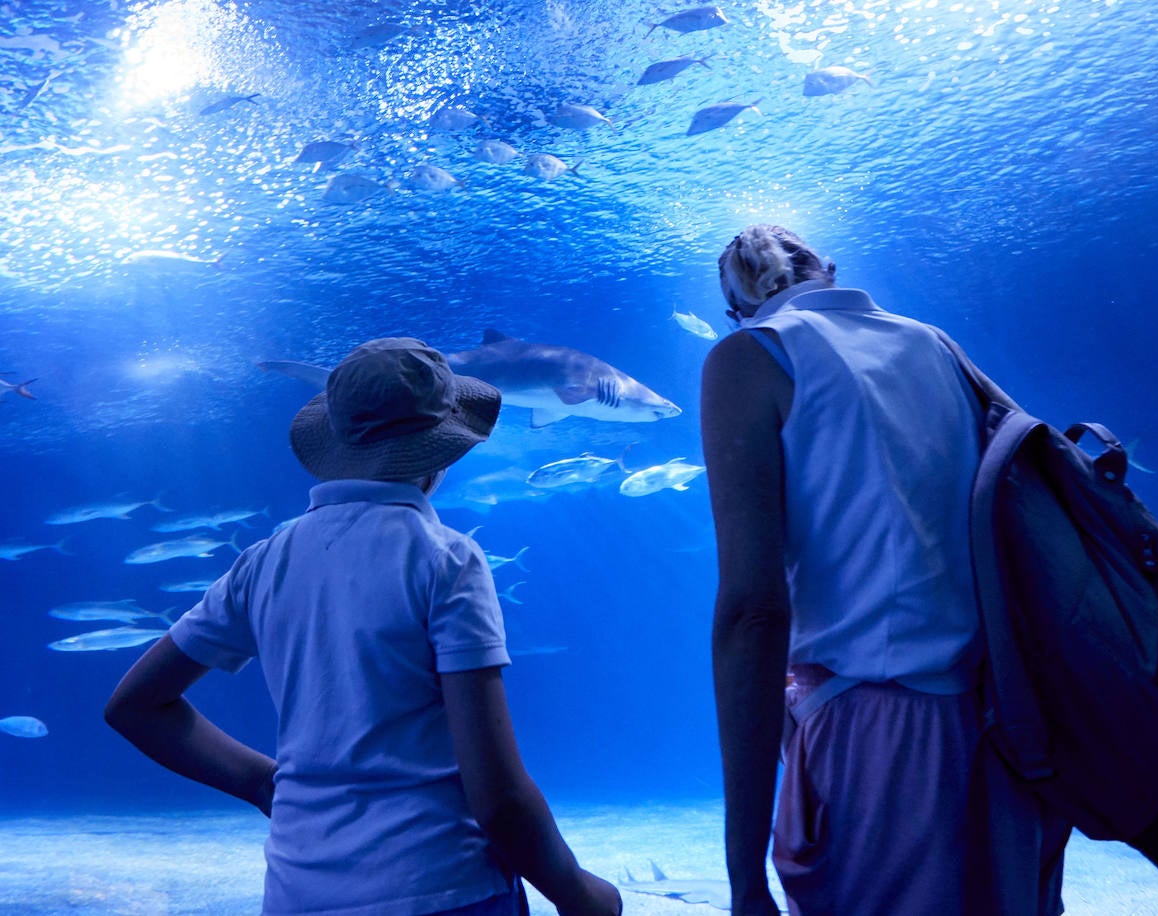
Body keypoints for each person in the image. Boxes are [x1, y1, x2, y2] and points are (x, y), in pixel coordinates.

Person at [105, 337, 621, 916]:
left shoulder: (262, 561)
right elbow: (497, 796)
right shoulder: (444, 559)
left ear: (335, 442)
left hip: (298, 893)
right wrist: (575, 891)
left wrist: (260, 783)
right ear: (442, 451)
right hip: (444, 888)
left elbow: (134, 706)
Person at [700, 226, 1071, 916]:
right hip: (1011, 723)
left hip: (878, 736)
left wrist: (744, 877)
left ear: (736, 307)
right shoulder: (938, 347)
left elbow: (753, 610)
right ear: (832, 272)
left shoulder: (749, 356)